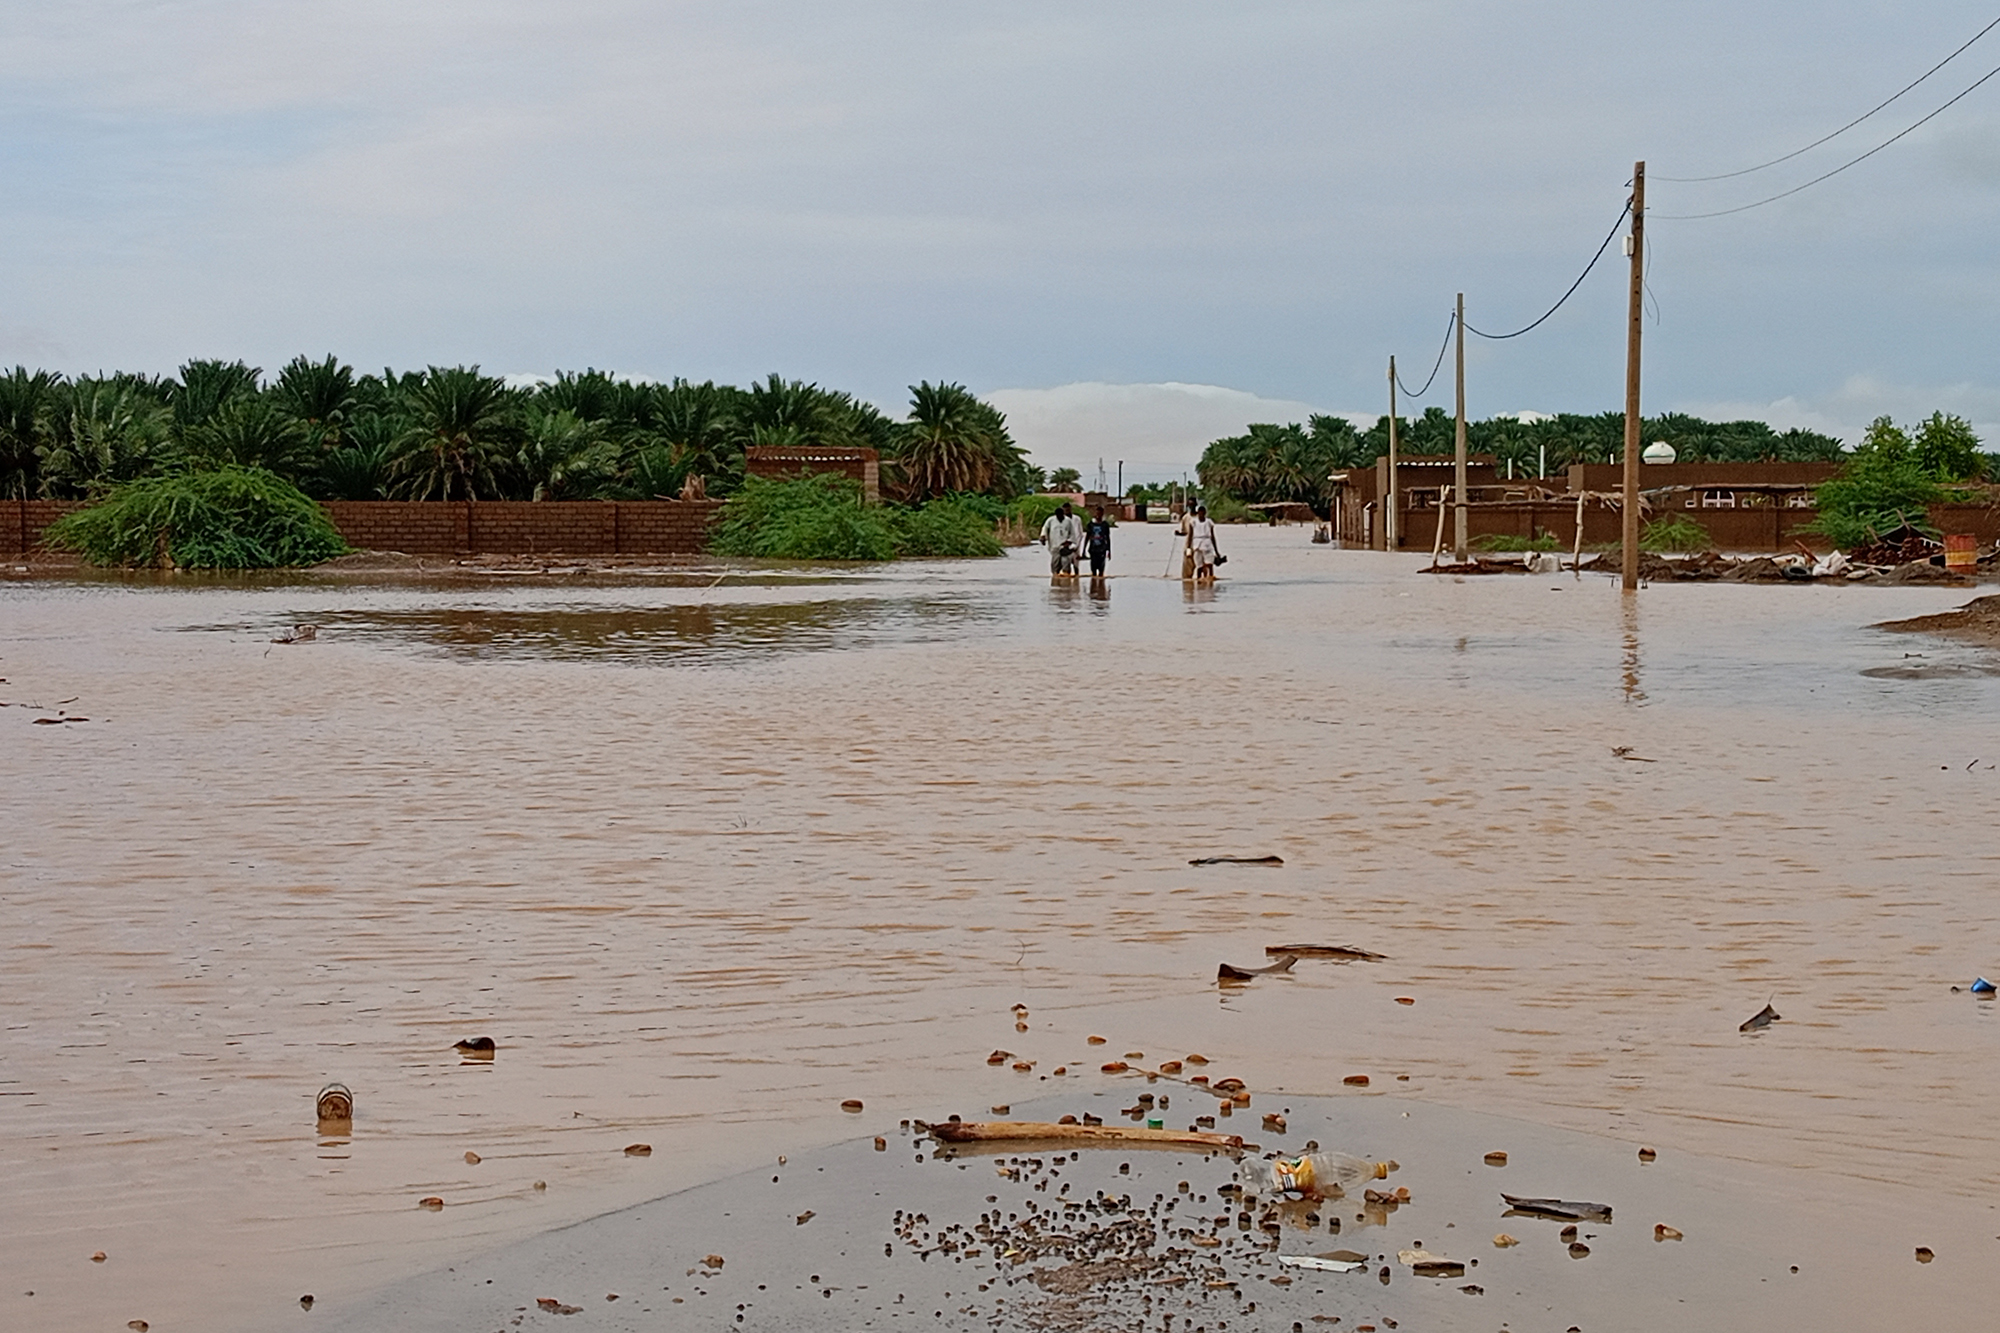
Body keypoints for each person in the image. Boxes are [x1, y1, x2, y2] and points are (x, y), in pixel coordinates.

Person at [1039, 502, 1082, 576]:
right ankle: (1056, 580)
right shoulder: (1051, 520)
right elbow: (1045, 529)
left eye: (1061, 514)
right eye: (1058, 515)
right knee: (1055, 565)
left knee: (1066, 563)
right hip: (1054, 546)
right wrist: (1043, 537)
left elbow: (1072, 533)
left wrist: (1070, 542)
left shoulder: (1068, 521)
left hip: (1065, 547)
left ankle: (1066, 581)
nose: (1060, 516)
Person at [1189, 504, 1221, 583]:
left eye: (1203, 512)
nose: (1201, 514)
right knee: (1199, 565)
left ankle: (1210, 579)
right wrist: (1189, 547)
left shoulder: (1209, 522)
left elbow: (1213, 536)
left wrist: (1216, 551)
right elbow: (1190, 535)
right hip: (1197, 544)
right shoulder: (1193, 522)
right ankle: (1199, 581)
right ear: (1198, 513)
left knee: (1209, 564)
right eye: (1200, 512)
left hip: (1207, 544)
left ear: (1205, 513)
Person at [1084, 506, 1113, 578]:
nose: (1098, 514)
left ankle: (1101, 585)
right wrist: (1084, 549)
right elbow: (1087, 536)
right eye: (1097, 513)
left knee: (1101, 567)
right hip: (1093, 549)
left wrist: (1109, 551)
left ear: (1102, 514)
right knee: (1093, 568)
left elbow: (1107, 538)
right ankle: (1093, 586)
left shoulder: (1105, 525)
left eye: (1100, 513)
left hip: (1102, 549)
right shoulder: (1091, 524)